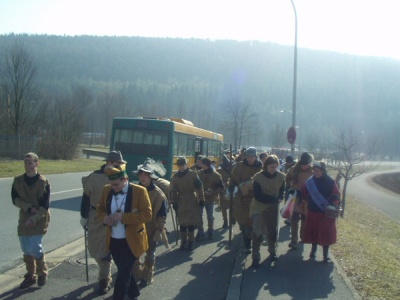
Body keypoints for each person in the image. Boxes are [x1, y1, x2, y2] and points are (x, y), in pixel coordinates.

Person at [97, 164, 152, 300]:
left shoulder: (139, 191)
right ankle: (134, 293)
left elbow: (147, 215)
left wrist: (124, 217)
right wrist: (104, 218)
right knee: (123, 270)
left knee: (122, 274)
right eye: (111, 184)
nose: (113, 188)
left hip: (132, 240)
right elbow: (100, 208)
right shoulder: (107, 190)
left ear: (125, 179)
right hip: (114, 240)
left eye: (116, 184)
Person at [80, 150, 126, 295]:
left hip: (115, 217)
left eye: (119, 163)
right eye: (115, 163)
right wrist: (84, 216)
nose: (117, 165)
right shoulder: (94, 177)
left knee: (109, 249)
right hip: (95, 216)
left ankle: (104, 279)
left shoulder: (121, 177)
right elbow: (86, 198)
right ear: (108, 162)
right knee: (95, 247)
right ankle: (105, 273)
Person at [11, 152, 51, 290]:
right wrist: (28, 208)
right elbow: (15, 199)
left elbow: (44, 206)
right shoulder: (18, 181)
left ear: (36, 163)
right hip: (24, 216)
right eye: (25, 162)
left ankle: (42, 272)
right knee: (26, 247)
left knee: (35, 245)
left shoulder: (43, 182)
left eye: (30, 162)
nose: (27, 165)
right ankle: (30, 275)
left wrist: (34, 218)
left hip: (40, 217)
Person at [132, 161, 168, 286]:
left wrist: (159, 230)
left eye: (146, 175)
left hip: (152, 228)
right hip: (136, 228)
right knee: (135, 255)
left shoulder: (158, 194)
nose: (143, 177)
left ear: (150, 176)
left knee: (150, 256)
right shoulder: (134, 190)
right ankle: (136, 277)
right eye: (141, 175)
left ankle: (146, 277)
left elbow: (162, 214)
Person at [250, 155, 285, 267]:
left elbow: (282, 190)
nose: (273, 169)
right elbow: (257, 195)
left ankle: (272, 252)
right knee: (258, 232)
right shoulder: (258, 177)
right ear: (266, 166)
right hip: (259, 207)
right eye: (271, 167)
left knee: (272, 231)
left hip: (273, 208)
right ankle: (255, 256)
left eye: (275, 167)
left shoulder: (281, 177)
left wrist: (280, 197)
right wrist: (272, 199)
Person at [302, 161, 341, 262]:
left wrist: (333, 200)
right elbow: (303, 191)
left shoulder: (331, 182)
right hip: (313, 211)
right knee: (314, 231)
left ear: (323, 171)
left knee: (326, 233)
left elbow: (336, 195)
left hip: (326, 213)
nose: (315, 173)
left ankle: (325, 255)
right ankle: (313, 251)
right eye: (314, 171)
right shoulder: (310, 182)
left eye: (317, 171)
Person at [228, 147, 263, 253]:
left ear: (256, 157)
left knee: (252, 222)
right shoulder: (239, 166)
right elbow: (233, 178)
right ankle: (246, 236)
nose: (249, 159)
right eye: (248, 157)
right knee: (242, 221)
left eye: (251, 157)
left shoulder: (261, 168)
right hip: (241, 198)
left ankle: (249, 243)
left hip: (255, 199)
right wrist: (231, 186)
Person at [170, 156, 205, 251]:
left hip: (191, 200)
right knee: (182, 223)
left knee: (190, 223)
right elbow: (172, 190)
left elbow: (199, 187)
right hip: (180, 201)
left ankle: (190, 242)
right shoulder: (175, 177)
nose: (181, 167)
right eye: (179, 165)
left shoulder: (193, 174)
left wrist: (201, 199)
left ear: (186, 164)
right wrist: (173, 202)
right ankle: (183, 242)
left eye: (182, 165)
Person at [285, 152, 314, 249]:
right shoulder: (294, 170)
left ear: (309, 163)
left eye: (306, 164)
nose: (304, 166)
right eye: (302, 164)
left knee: (305, 219)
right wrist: (291, 185)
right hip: (296, 198)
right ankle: (294, 240)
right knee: (294, 219)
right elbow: (287, 179)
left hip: (307, 199)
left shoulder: (312, 172)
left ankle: (303, 237)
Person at [197, 157, 224, 240]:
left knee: (210, 217)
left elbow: (221, 187)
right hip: (200, 198)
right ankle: (200, 233)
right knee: (198, 216)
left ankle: (210, 232)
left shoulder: (216, 175)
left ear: (206, 165)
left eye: (202, 164)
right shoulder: (199, 173)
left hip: (210, 198)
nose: (201, 165)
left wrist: (213, 192)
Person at [216, 155, 233, 229]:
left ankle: (232, 217)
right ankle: (225, 221)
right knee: (223, 207)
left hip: (231, 190)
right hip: (223, 190)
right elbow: (215, 176)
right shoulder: (219, 171)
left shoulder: (233, 170)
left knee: (232, 206)